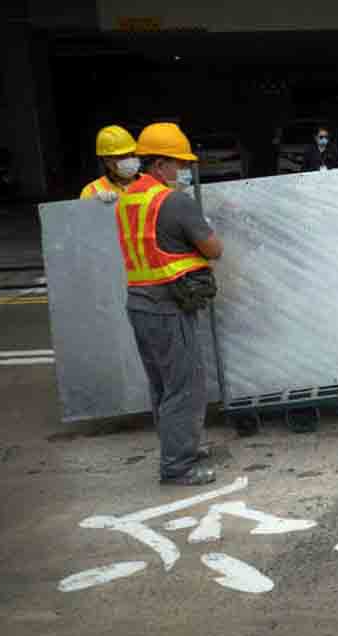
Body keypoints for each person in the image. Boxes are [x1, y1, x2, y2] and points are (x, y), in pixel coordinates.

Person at [117, 122, 223, 486]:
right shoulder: (174, 201)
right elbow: (214, 249)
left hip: (140, 304)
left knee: (163, 386)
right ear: (160, 164)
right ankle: (178, 465)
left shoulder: (129, 197)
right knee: (186, 386)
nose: (181, 171)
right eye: (177, 164)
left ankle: (179, 446)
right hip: (168, 306)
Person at [80, 125, 140, 202]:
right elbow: (84, 213)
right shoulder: (91, 191)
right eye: (122, 156)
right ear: (106, 160)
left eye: (132, 154)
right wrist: (93, 204)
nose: (129, 160)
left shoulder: (150, 183)